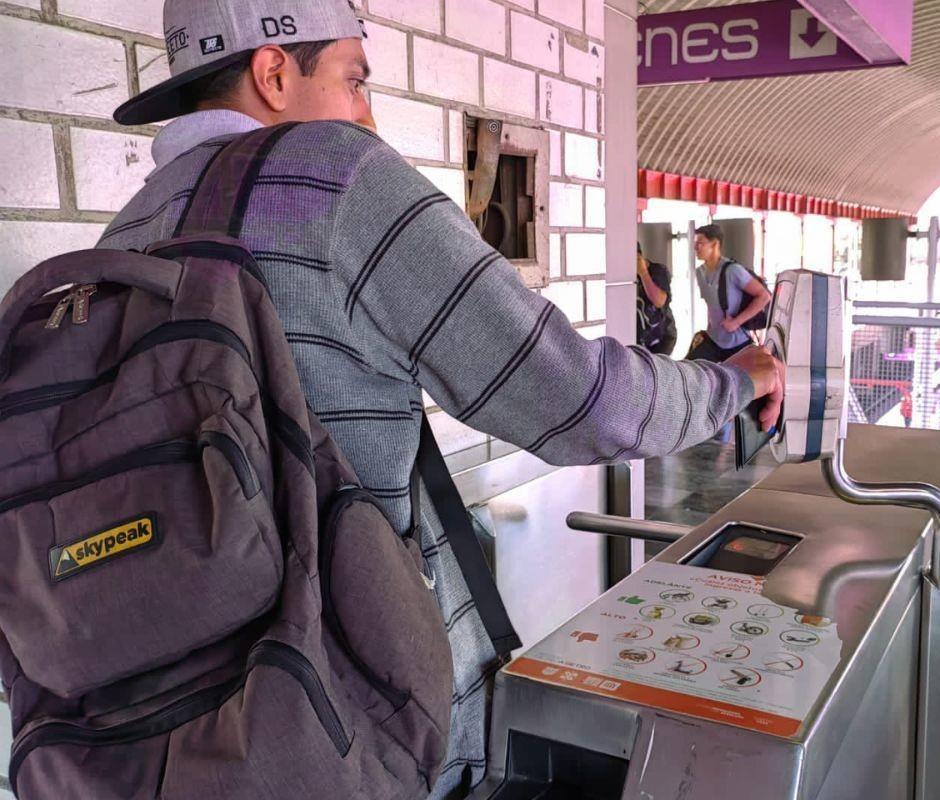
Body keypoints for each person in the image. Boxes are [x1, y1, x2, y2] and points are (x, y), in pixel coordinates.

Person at [97, 2, 785, 797]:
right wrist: (737, 381)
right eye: (354, 80)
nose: (369, 113)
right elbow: (585, 400)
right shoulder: (333, 173)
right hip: (370, 731)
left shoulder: (124, 233)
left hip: (190, 736)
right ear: (274, 73)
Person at [686, 223, 772, 362]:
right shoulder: (699, 273)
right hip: (713, 340)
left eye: (700, 243)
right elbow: (712, 307)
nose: (696, 248)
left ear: (714, 244)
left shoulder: (733, 271)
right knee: (689, 370)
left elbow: (764, 296)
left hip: (737, 343)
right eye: (695, 243)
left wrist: (737, 322)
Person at [636, 243, 675, 354]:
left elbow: (659, 301)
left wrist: (643, 273)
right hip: (640, 338)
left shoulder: (658, 271)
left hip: (662, 337)